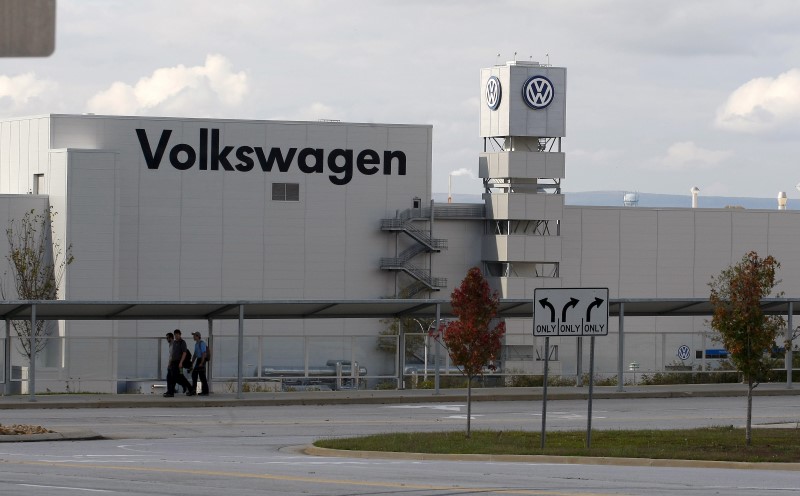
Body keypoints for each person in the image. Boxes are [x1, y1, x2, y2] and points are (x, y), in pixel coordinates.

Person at [164, 329, 192, 397]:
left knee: (176, 377)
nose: (176, 337)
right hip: (174, 362)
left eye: (177, 335)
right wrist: (170, 363)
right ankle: (189, 388)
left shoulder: (182, 342)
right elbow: (172, 355)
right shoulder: (175, 343)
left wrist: (181, 363)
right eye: (175, 335)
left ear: (180, 335)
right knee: (177, 377)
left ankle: (171, 392)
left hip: (179, 363)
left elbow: (184, 353)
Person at [189, 331, 209, 396]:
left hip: (201, 360)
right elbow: (195, 354)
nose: (193, 337)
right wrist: (192, 362)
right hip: (198, 360)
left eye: (194, 335)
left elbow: (204, 353)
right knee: (194, 374)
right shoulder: (196, 344)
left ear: (197, 336)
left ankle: (205, 391)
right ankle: (194, 390)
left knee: (202, 376)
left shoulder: (201, 343)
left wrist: (202, 362)